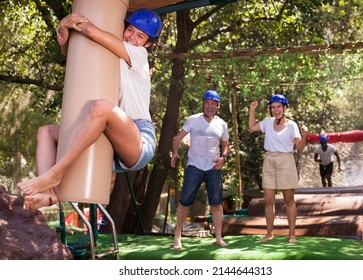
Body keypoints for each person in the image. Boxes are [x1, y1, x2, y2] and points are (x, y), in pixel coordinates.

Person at [17, 9, 163, 210]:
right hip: (109, 137)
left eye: (140, 36)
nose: (132, 37)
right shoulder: (113, 56)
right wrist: (63, 28)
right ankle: (48, 195)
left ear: (147, 44)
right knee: (46, 132)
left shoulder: (139, 54)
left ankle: (54, 174)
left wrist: (71, 21)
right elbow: (72, 51)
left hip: (138, 138)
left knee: (101, 107)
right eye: (130, 30)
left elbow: (92, 32)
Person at [170, 90, 230, 250]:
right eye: (206, 102)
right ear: (203, 104)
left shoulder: (222, 124)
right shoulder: (193, 120)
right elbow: (177, 138)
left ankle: (218, 238)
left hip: (213, 167)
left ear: (218, 105)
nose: (209, 105)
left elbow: (225, 147)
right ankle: (177, 237)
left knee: (216, 204)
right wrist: (175, 153)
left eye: (213, 103)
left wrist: (223, 158)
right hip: (194, 166)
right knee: (184, 202)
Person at [248, 93, 308, 243]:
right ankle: (269, 234)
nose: (276, 110)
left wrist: (304, 134)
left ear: (284, 108)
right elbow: (252, 127)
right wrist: (252, 110)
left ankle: (292, 235)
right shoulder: (268, 122)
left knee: (289, 200)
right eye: (273, 107)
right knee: (268, 200)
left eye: (279, 107)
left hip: (285, 161)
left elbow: (300, 147)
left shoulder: (292, 125)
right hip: (269, 160)